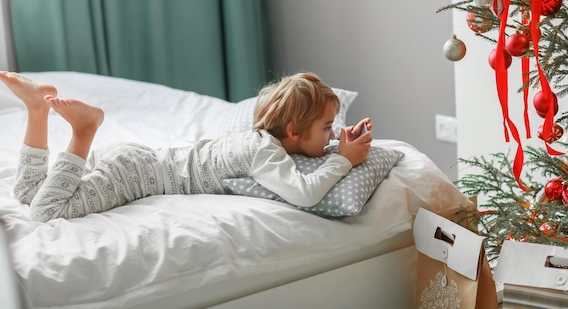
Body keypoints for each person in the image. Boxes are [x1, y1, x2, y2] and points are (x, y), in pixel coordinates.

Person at [0, 71, 372, 222]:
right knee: (47, 212)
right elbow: (305, 193)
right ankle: (84, 129)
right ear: (292, 130)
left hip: (135, 159)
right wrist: (343, 159)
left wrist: (335, 144)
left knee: (29, 193)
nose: (331, 134)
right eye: (327, 127)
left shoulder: (256, 140)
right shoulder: (264, 153)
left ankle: (37, 109)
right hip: (136, 176)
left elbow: (309, 148)